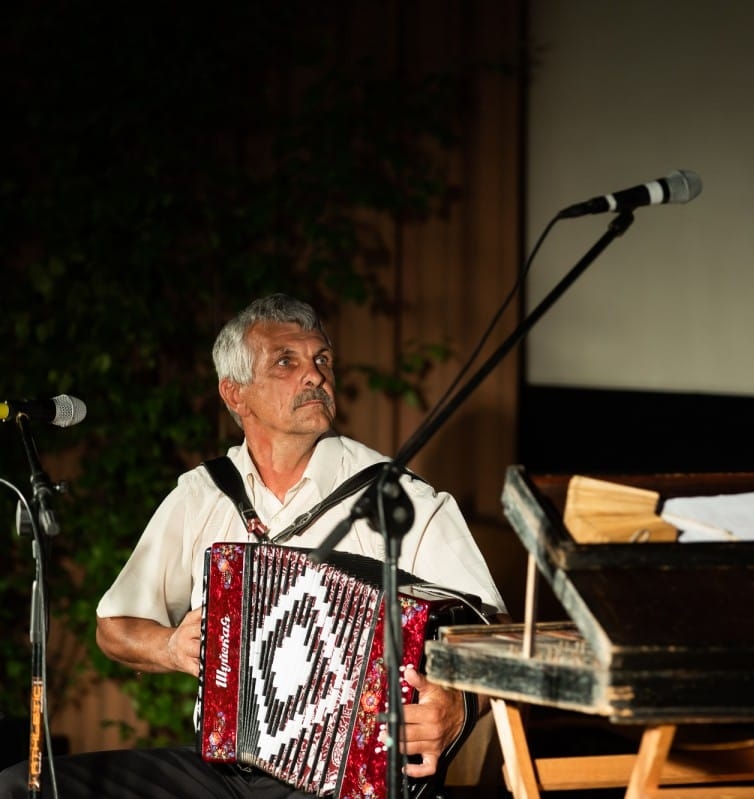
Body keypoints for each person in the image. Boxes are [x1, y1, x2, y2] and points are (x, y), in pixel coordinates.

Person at [0, 293, 508, 798]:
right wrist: (170, 647)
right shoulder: (203, 493)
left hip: (349, 778)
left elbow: (497, 636)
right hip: (220, 768)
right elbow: (114, 627)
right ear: (234, 394)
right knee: (24, 787)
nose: (315, 376)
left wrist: (460, 703)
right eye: (287, 361)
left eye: (322, 359)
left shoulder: (396, 496)